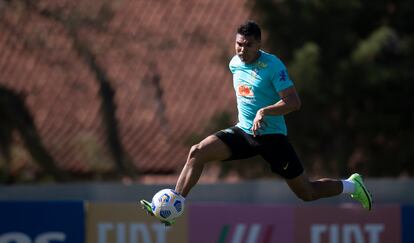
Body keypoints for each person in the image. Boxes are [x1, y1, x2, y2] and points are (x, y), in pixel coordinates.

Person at [141, 20, 372, 225]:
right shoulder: (234, 63)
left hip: (272, 138)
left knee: (307, 193)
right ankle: (174, 203)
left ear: (259, 44)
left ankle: (353, 185)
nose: (242, 49)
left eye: (248, 45)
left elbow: (294, 102)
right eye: (239, 44)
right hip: (244, 132)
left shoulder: (273, 67)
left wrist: (265, 111)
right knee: (197, 152)